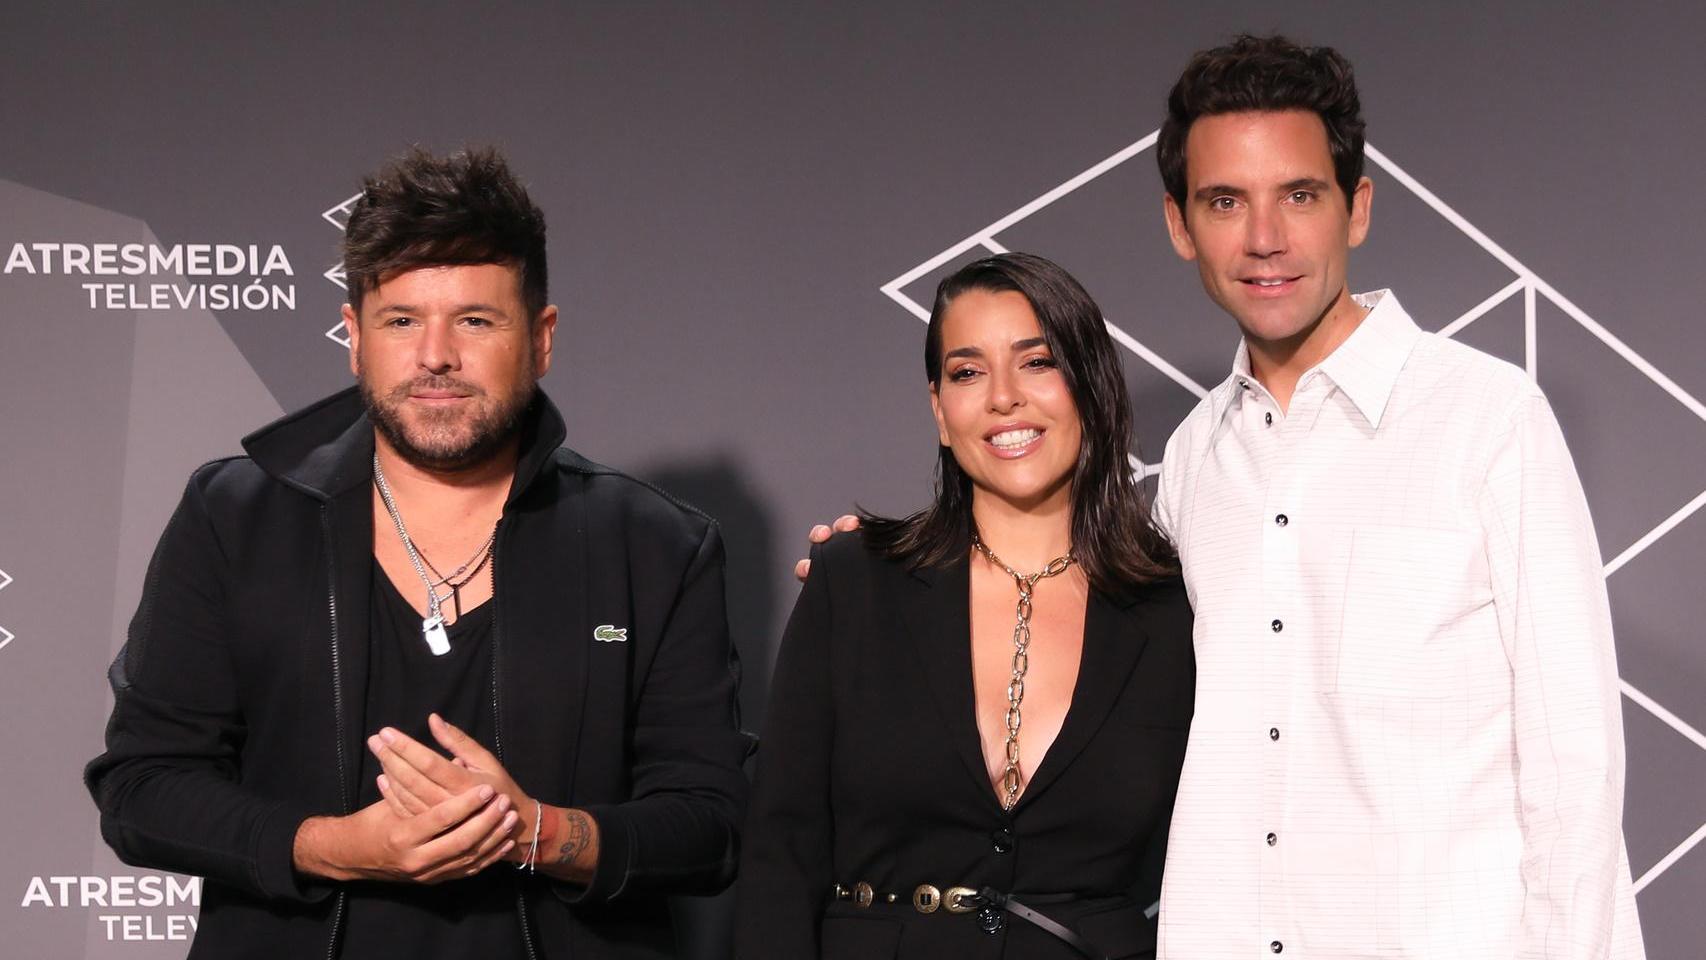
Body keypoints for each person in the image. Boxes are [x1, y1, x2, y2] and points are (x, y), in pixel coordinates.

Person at [803, 34, 1643, 960]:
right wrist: (893, 574)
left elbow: (1576, 769)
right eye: (1225, 201)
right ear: (1179, 224)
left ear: (1357, 208)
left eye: (1300, 195)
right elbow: (1049, 590)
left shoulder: (1489, 422)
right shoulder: (1192, 464)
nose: (1264, 238)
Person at [85, 147, 752, 960]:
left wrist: (537, 833)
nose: (436, 355)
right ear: (354, 338)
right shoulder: (234, 517)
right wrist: (333, 847)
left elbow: (713, 825)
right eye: (402, 320)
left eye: (475, 320)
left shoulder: (655, 544)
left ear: (542, 339)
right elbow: (142, 791)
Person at [741, 252, 1194, 960]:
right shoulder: (854, 582)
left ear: (1093, 389)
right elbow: (780, 853)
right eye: (967, 372)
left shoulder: (1175, 611)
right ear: (940, 412)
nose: (1003, 397)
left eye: (1037, 362)